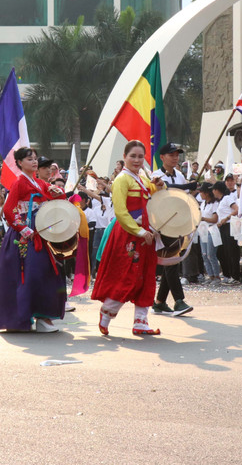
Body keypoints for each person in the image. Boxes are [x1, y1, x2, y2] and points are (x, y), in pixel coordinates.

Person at [91, 140, 166, 336]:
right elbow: (121, 213)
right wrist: (140, 232)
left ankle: (141, 322)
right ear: (124, 157)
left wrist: (159, 185)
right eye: (133, 156)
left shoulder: (141, 178)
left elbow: (155, 194)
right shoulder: (122, 180)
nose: (137, 160)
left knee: (147, 275)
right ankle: (107, 312)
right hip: (128, 235)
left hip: (146, 234)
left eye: (140, 156)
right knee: (127, 276)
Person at [0, 147, 68, 333]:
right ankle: (26, 317)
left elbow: (60, 198)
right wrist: (24, 229)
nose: (34, 162)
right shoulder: (19, 182)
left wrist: (56, 191)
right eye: (29, 159)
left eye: (35, 158)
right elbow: (8, 210)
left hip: (43, 233)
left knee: (47, 273)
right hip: (25, 236)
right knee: (31, 275)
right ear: (20, 163)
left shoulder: (40, 183)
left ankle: (44, 317)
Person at [150, 143, 196, 316]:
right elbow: (165, 192)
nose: (175, 157)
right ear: (162, 157)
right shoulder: (156, 175)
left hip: (179, 222)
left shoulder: (179, 175)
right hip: (163, 222)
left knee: (173, 259)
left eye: (177, 154)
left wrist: (191, 190)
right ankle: (178, 301)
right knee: (171, 260)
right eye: (171, 154)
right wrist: (187, 187)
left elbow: (184, 197)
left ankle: (159, 302)